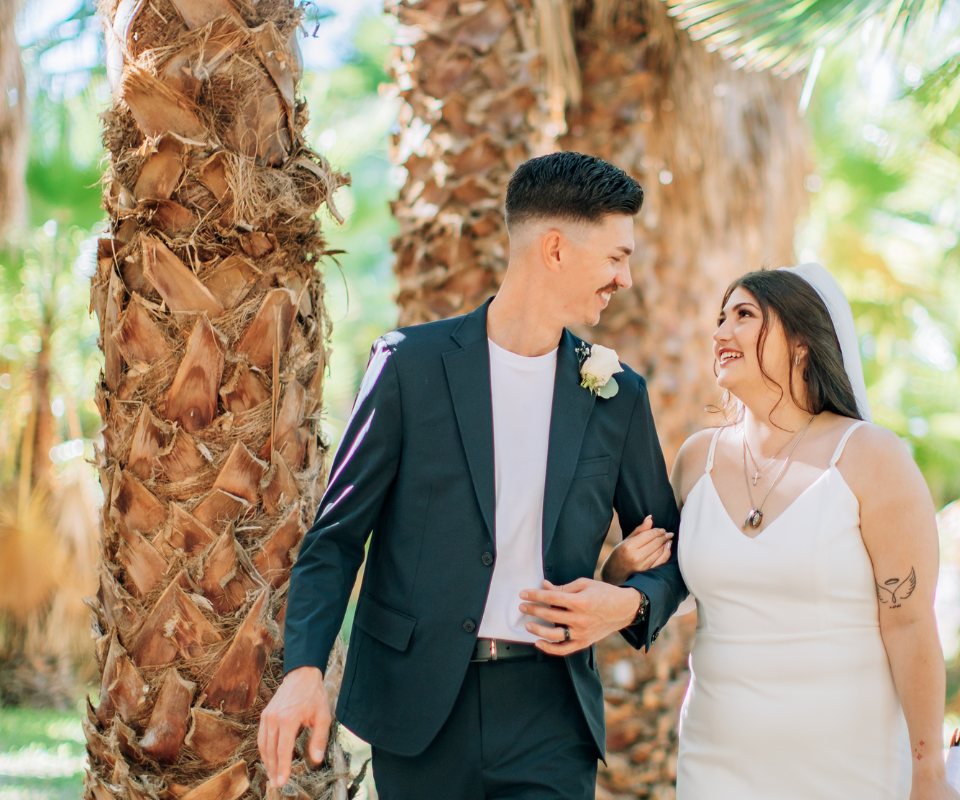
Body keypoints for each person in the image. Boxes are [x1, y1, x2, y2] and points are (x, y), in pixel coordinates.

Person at [259, 152, 689, 800]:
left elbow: (675, 548)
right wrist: (304, 669)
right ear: (555, 249)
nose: (624, 279)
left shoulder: (617, 394)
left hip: (551, 712)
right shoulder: (409, 366)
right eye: (615, 257)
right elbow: (338, 538)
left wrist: (626, 602)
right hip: (419, 708)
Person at [602, 266, 960, 799]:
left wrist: (928, 774)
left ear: (801, 343)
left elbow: (909, 623)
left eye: (744, 316)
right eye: (720, 319)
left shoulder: (871, 457)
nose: (720, 333)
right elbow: (674, 590)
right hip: (716, 758)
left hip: (849, 763)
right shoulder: (696, 459)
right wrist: (620, 569)